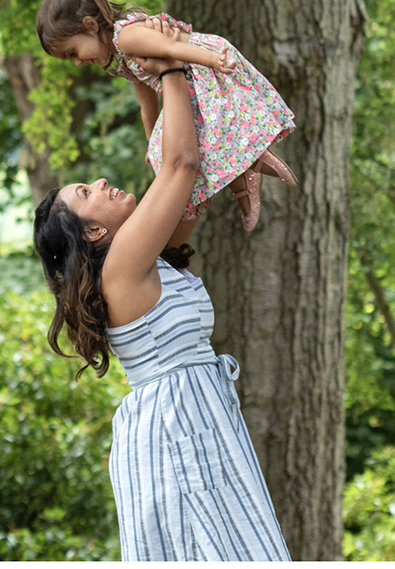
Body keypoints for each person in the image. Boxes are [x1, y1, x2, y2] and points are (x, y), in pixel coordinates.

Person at [33, 65, 291, 560]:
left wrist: (144, 82)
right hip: (177, 431)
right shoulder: (123, 268)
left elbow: (178, 177)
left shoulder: (140, 257)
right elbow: (180, 166)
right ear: (92, 234)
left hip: (197, 419)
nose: (101, 180)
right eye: (86, 193)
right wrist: (171, 66)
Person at [36, 0, 295, 231]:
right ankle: (246, 175)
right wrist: (151, 144)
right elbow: (147, 104)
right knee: (174, 145)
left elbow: (171, 48)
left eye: (72, 53)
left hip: (203, 68)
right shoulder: (124, 56)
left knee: (184, 147)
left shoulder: (126, 37)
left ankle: (251, 164)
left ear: (90, 26)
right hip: (192, 77)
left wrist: (214, 60)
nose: (78, 63)